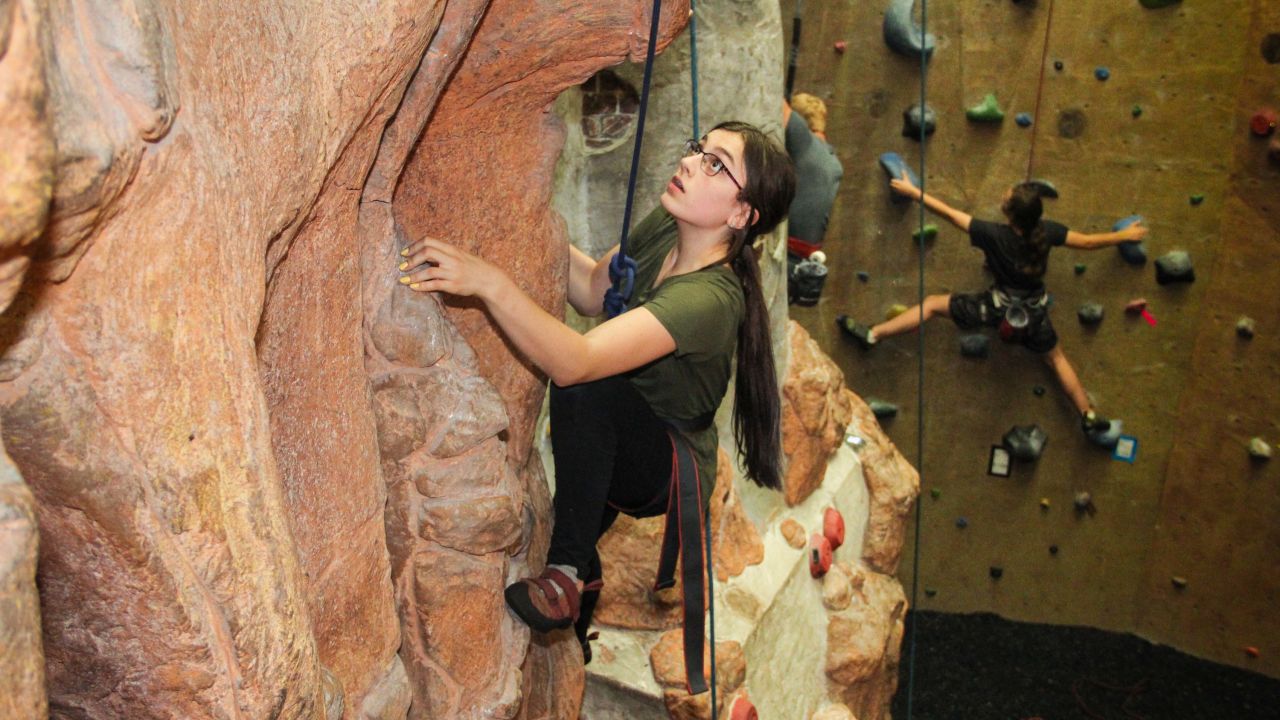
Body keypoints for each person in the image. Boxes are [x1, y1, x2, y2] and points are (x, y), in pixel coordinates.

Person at [398, 121, 797, 678]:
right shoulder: (669, 226)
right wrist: (522, 213)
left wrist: (489, 282)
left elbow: (575, 364)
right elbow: (589, 290)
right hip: (625, 421)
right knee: (596, 390)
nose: (690, 163)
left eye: (715, 164)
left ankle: (566, 574)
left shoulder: (710, 298)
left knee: (588, 383)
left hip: (662, 463)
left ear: (740, 215)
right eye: (697, 149)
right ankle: (583, 572)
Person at [835, 173, 1149, 439]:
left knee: (931, 305)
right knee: (1056, 359)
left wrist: (913, 192)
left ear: (1009, 213)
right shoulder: (1047, 232)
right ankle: (1088, 415)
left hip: (995, 308)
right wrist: (1124, 235)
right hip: (1033, 314)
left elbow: (949, 214)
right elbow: (1089, 242)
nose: (1004, 192)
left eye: (1008, 195)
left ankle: (873, 335)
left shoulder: (992, 235)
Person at [784, 93, 844, 305]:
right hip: (799, 264)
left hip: (786, 261)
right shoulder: (832, 160)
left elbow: (777, 106)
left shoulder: (806, 146)